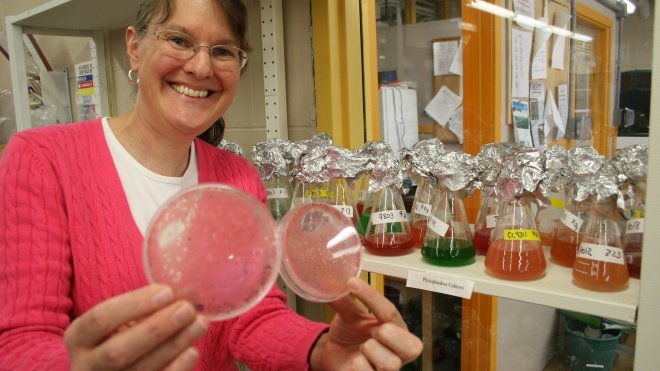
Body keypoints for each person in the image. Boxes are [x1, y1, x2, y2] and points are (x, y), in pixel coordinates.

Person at [0, 0, 423, 369]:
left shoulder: (238, 178)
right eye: (179, 40)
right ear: (134, 46)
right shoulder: (42, 160)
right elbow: (19, 341)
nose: (201, 67)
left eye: (222, 50)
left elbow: (249, 318)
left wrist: (319, 348)